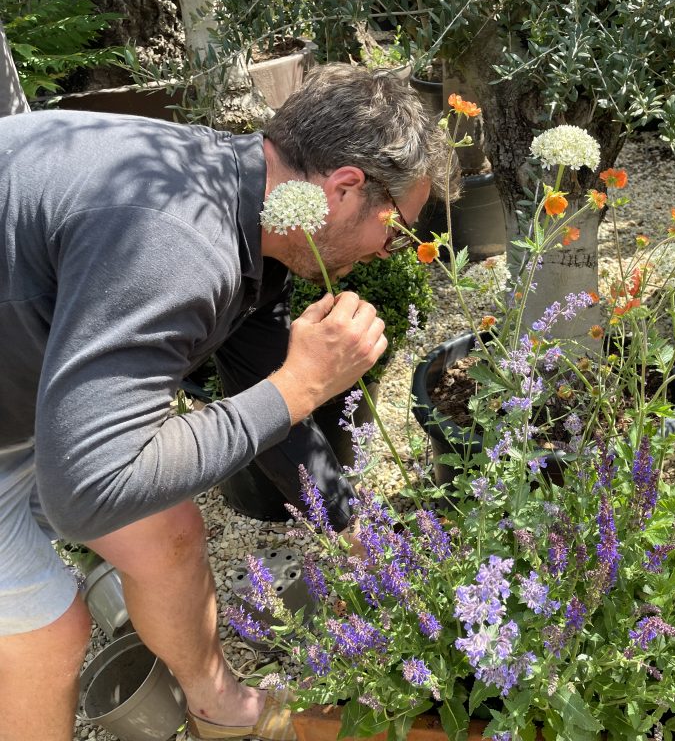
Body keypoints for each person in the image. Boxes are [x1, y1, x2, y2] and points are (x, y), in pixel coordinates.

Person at [0, 63, 453, 741]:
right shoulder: (177, 246)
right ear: (347, 186)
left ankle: (217, 709)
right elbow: (89, 490)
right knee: (51, 632)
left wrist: (346, 521)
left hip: (29, 386)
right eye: (395, 230)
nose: (390, 252)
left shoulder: (245, 199)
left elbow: (255, 373)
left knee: (169, 533)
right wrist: (301, 386)